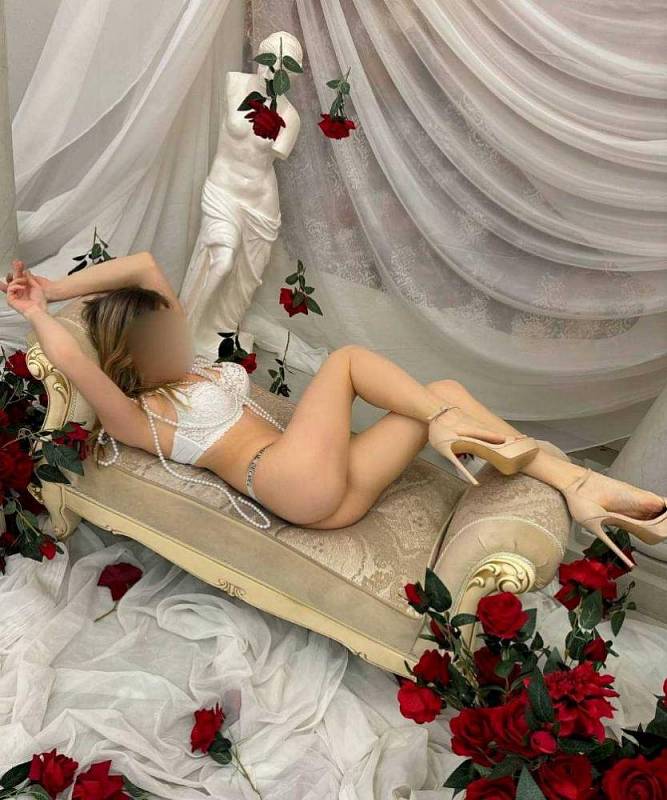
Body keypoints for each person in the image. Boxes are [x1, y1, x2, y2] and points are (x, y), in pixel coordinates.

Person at [2, 252, 666, 565]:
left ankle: (579, 487)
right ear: (132, 360)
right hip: (284, 481)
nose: (178, 334)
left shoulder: (188, 366)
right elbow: (73, 361)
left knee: (443, 390)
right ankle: (443, 427)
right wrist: (39, 310)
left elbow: (147, 266)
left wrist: (58, 283)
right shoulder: (139, 414)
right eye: (160, 337)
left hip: (331, 495)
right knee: (347, 360)